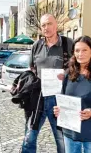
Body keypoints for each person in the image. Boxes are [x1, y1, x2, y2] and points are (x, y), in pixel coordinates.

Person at [21, 13, 74, 153]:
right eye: (43, 25)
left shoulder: (68, 44)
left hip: (60, 99)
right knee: (29, 138)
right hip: (38, 97)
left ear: (56, 25)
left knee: (62, 140)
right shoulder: (36, 46)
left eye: (49, 24)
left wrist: (66, 73)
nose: (46, 27)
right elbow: (32, 68)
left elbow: (77, 67)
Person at [54, 35, 91, 153]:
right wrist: (59, 109)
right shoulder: (69, 73)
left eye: (84, 50)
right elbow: (62, 98)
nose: (80, 54)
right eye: (77, 50)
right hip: (70, 132)